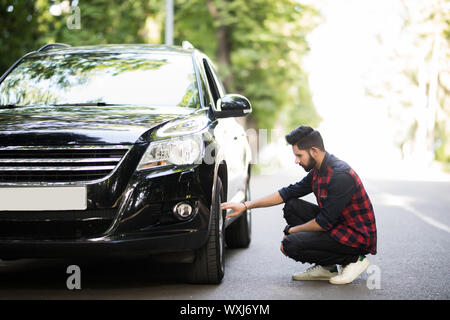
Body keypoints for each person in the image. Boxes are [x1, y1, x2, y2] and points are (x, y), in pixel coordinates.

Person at [221, 126, 377, 285]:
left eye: (299, 155)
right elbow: (287, 193)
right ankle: (327, 267)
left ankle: (354, 259)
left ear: (314, 151)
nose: (296, 161)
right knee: (292, 206)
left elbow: (323, 223)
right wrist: (245, 205)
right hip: (338, 226)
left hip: (355, 237)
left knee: (291, 244)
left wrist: (291, 231)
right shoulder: (318, 170)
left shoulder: (340, 175)